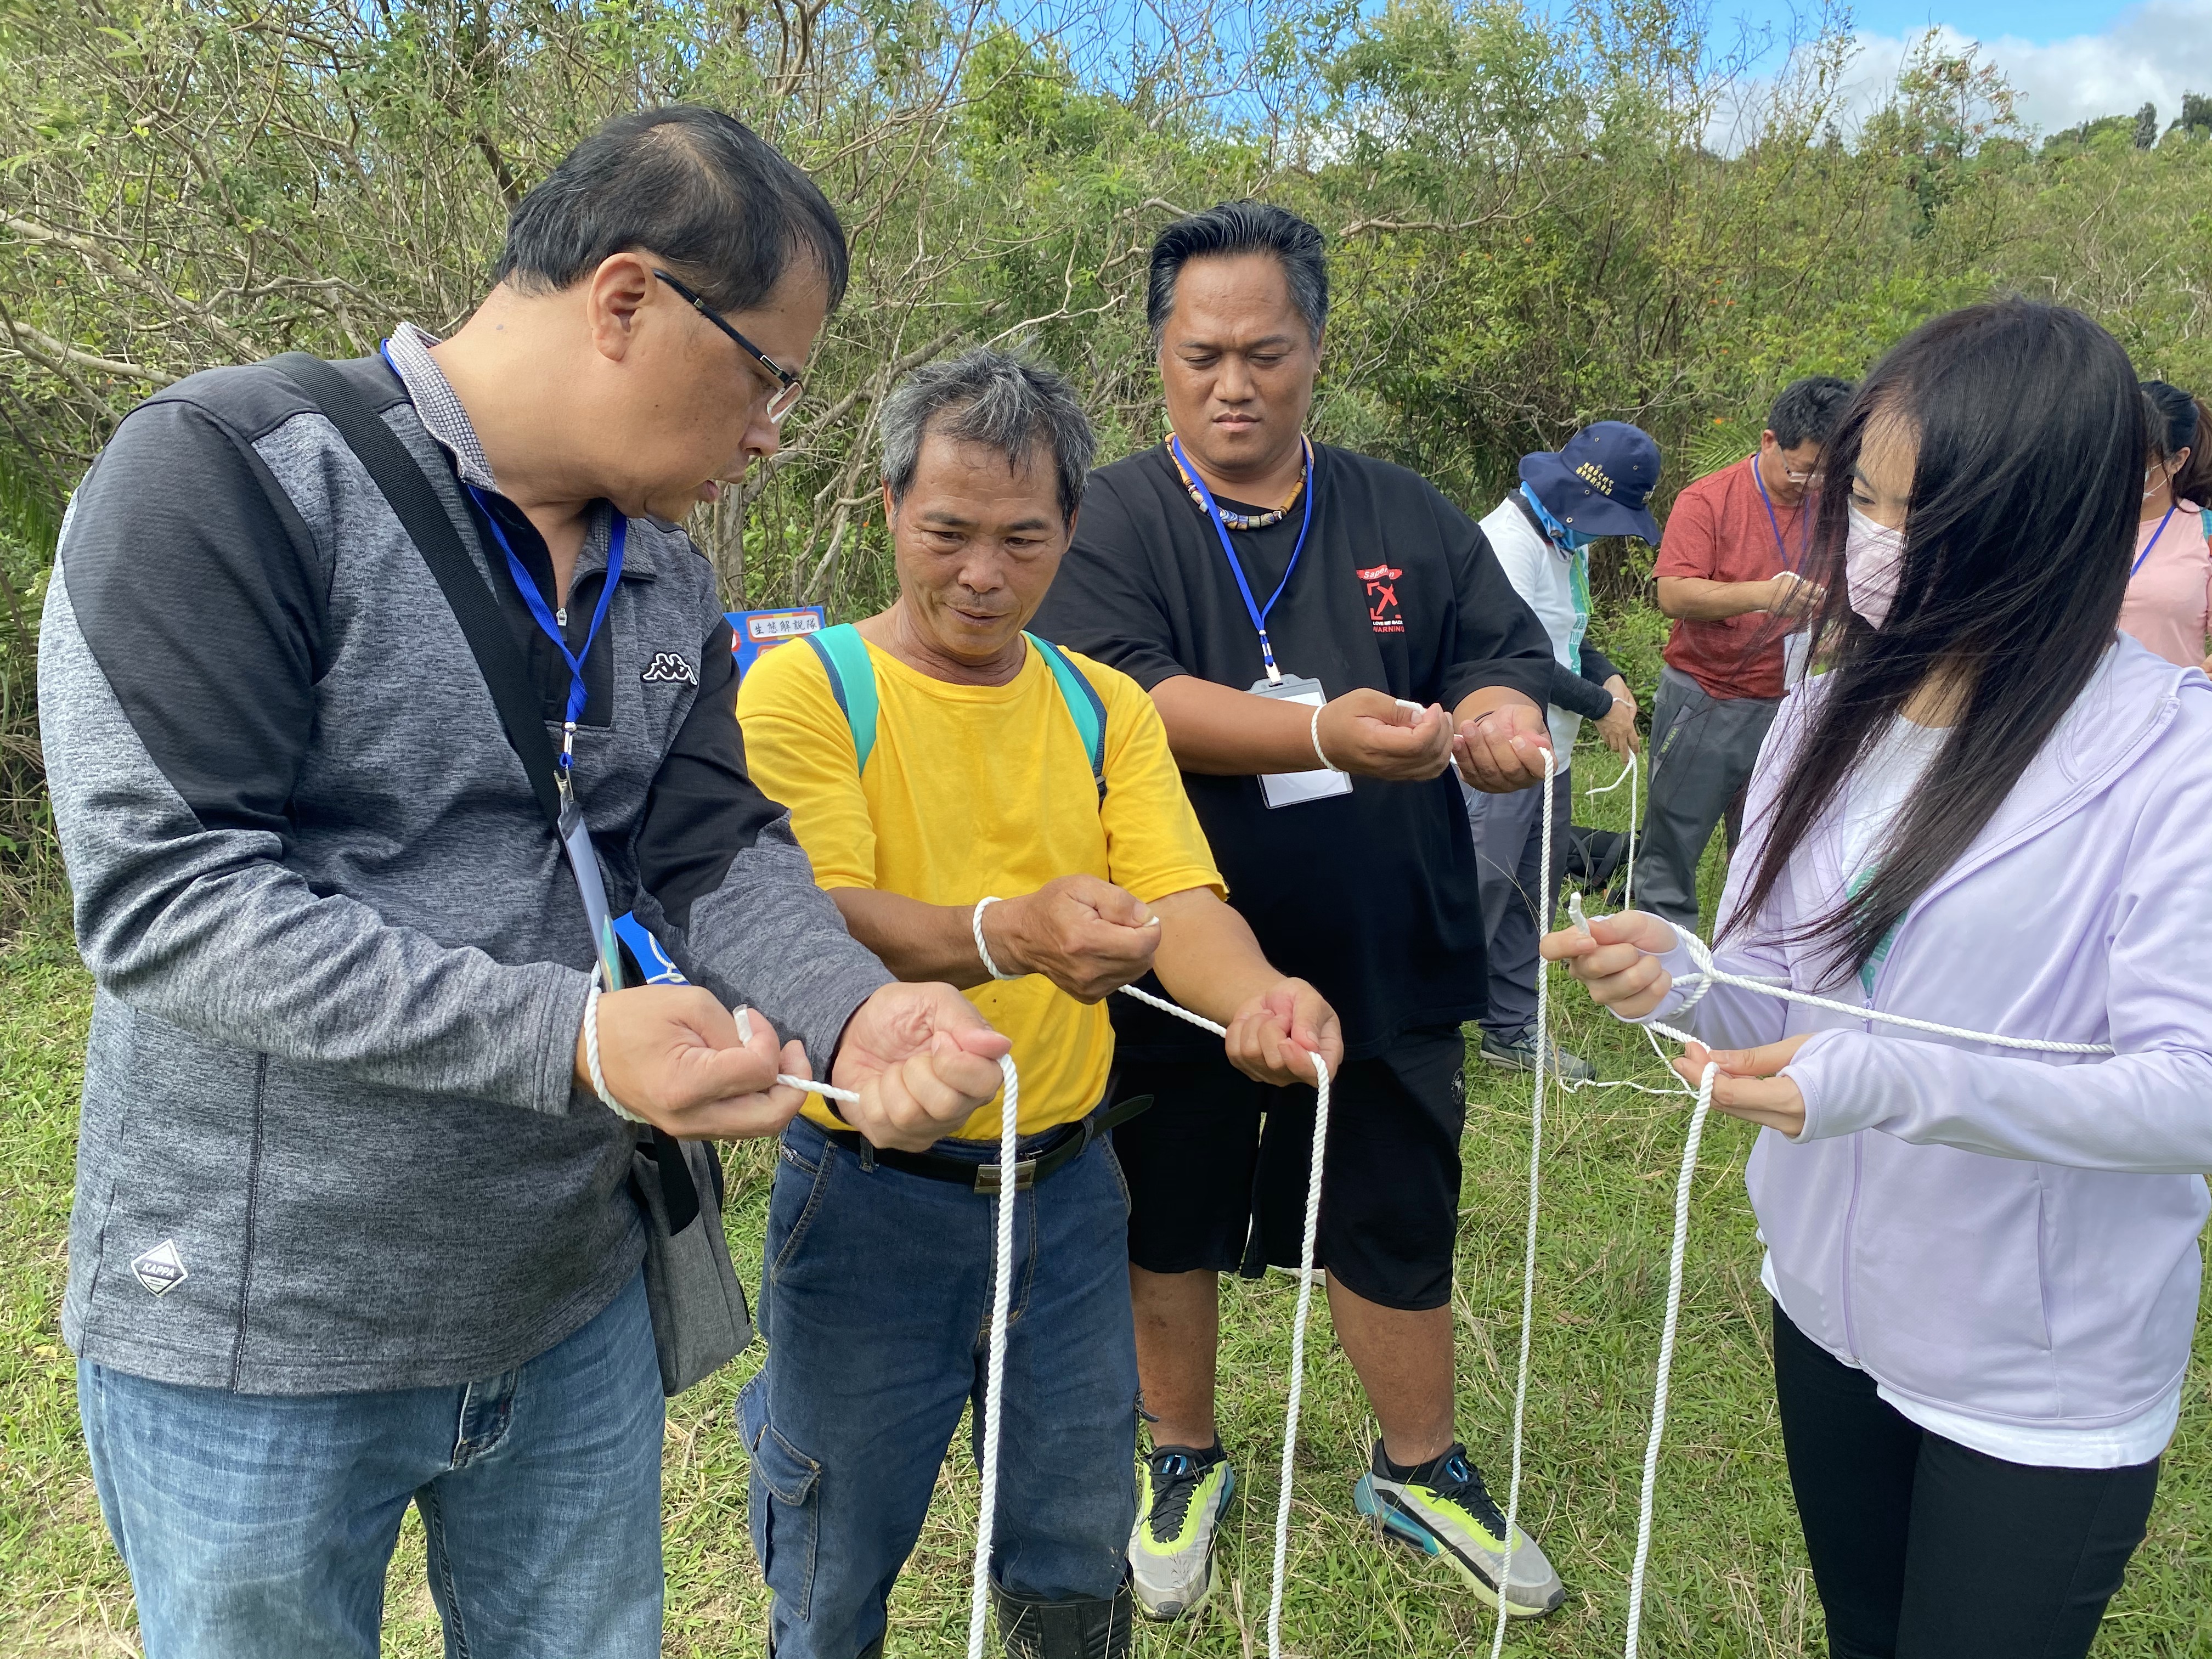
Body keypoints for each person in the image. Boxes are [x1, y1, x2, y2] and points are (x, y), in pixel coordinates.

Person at [41, 106, 1009, 1659]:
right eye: (771, 376)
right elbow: (172, 900)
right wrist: (574, 1037)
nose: (775, 432)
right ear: (627, 299)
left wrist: (854, 1014)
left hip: (568, 1308)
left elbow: (708, 851)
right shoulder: (231, 477)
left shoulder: (669, 575)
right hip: (261, 1331)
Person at [1545, 299, 2212, 1659]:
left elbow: (2189, 1092)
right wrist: (1680, 977)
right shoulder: (1821, 713)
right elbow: (1778, 1000)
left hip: (2032, 1371)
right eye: (1863, 498)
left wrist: (1894, 1081)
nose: (1874, 545)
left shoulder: (2171, 766)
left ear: (2041, 528)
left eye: (1920, 515)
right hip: (1828, 1306)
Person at [734, 348, 1344, 1658]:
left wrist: (1260, 997)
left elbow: (1181, 903)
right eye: (947, 532)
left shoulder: (1100, 705)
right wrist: (1007, 934)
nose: (981, 573)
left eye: (1023, 538)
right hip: (869, 1193)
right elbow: (815, 915)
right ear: (889, 508)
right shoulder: (808, 688)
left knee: (1075, 1545)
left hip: (1069, 1197)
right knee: (833, 1556)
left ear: (1072, 529)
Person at [1030, 200, 1568, 1623]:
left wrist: (1505, 722)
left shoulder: (1404, 515)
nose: (1233, 383)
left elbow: (1501, 662)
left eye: (1265, 351)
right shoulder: (1116, 521)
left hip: (1387, 943)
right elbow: (1122, 697)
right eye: (1201, 352)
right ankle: (1182, 1453)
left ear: (1316, 350)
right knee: (1170, 1215)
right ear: (1157, 356)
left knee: (1398, 1212)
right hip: (1173, 956)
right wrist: (1327, 732)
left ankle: (1420, 1467)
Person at [1466, 422, 1657, 1081]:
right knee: (1481, 886)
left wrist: (1608, 677)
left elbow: (1569, 639)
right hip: (1499, 752)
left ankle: (1511, 1030)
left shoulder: (1562, 544)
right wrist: (1603, 708)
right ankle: (1424, 1025)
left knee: (1531, 895)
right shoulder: (1505, 543)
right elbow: (1520, 656)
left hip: (1554, 757)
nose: (1601, 533)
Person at [1633, 375, 1852, 933]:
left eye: (1828, 472)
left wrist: (1833, 631)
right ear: (1769, 440)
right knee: (1673, 842)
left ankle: (1745, 963)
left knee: (1769, 844)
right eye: (1802, 469)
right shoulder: (1709, 500)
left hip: (1790, 703)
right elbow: (1673, 593)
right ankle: (1662, 968)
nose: (1813, 483)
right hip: (1707, 699)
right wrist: (1763, 594)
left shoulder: (1835, 505)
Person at [2117, 378, 2212, 671]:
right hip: (2084, 709)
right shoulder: (2082, 527)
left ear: (2177, 460)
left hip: (2169, 710)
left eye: (2142, 462)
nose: (2127, 472)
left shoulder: (2204, 534)